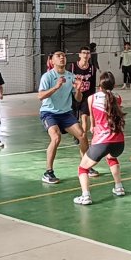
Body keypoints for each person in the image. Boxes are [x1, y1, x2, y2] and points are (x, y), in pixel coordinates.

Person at [73, 71, 127, 205]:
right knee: (111, 157)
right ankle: (119, 187)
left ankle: (85, 196)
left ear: (99, 86)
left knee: (83, 168)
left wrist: (94, 131)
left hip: (102, 141)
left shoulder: (92, 98)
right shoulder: (118, 97)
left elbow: (93, 122)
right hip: (119, 142)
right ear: (113, 85)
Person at [37, 51, 91, 184]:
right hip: (49, 113)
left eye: (63, 56)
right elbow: (40, 96)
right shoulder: (47, 77)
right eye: (58, 56)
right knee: (56, 138)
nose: (62, 57)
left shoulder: (71, 76)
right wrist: (56, 87)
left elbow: (78, 99)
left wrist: (78, 89)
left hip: (66, 113)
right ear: (52, 61)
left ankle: (86, 166)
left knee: (82, 135)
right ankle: (48, 172)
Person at [69, 46, 97, 146]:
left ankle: (83, 137)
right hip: (75, 95)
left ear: (89, 55)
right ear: (80, 54)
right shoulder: (73, 67)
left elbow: (93, 84)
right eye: (84, 53)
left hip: (87, 96)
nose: (85, 55)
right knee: (75, 118)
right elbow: (69, 81)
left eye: (87, 53)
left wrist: (93, 98)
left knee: (84, 117)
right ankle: (76, 135)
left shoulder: (92, 68)